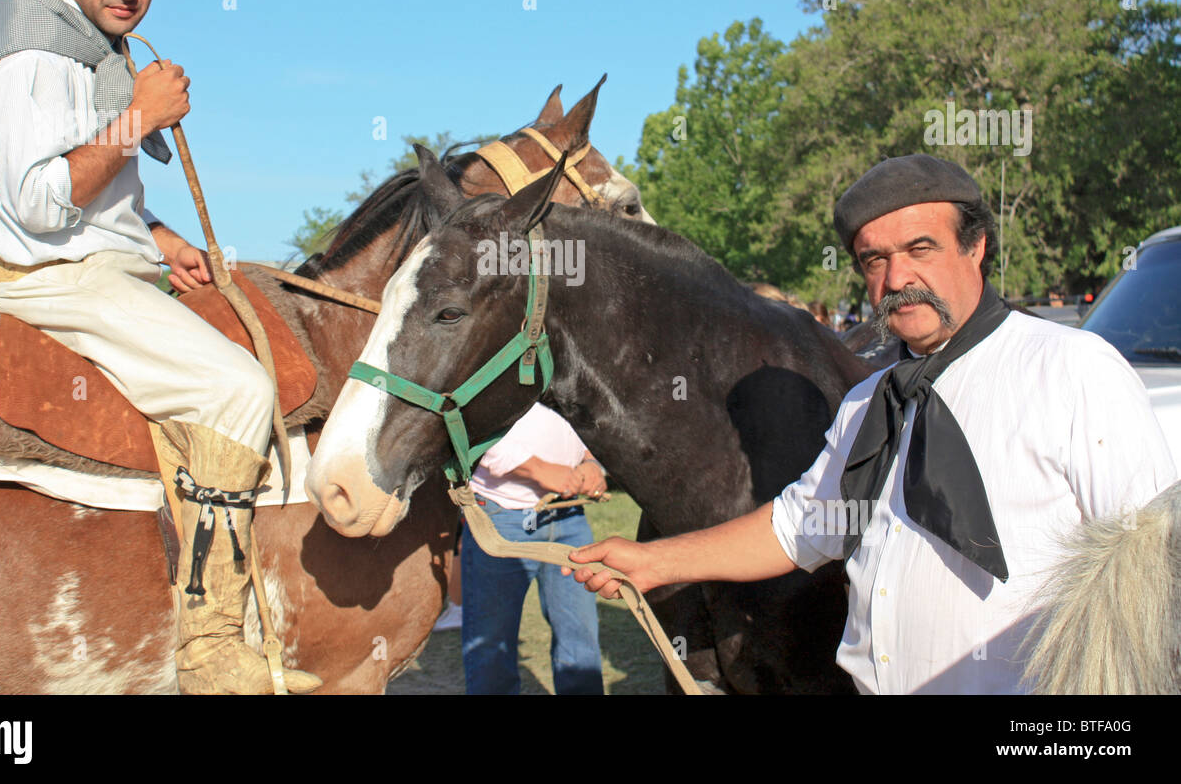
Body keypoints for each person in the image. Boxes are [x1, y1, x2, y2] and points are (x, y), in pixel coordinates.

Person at [567, 154, 1178, 694]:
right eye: (874, 260)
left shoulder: (1074, 370)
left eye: (921, 249)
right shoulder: (866, 403)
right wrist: (653, 561)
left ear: (977, 247)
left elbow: (1151, 582)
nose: (897, 280)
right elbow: (801, 527)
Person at [0, 0, 317, 695]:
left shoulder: (95, 57)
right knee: (237, 388)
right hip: (53, 285)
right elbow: (41, 205)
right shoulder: (29, 60)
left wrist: (166, 240)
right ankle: (213, 646)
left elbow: (108, 204)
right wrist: (138, 118)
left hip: (103, 269)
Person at [463, 402, 606, 694]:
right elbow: (468, 425)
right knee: (491, 646)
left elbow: (588, 412)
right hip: (501, 517)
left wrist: (592, 460)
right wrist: (538, 469)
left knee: (581, 641)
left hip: (569, 516)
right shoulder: (490, 355)